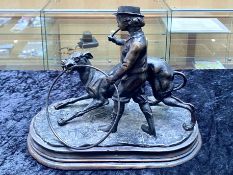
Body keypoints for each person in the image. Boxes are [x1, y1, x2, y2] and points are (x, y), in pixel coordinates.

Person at [101, 6, 156, 137]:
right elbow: (127, 43)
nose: (117, 23)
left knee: (118, 98)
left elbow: (126, 65)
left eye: (118, 20)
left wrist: (113, 78)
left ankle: (112, 127)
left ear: (127, 21)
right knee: (142, 100)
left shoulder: (137, 43)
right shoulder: (137, 37)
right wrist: (116, 41)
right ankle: (151, 128)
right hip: (139, 76)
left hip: (132, 77)